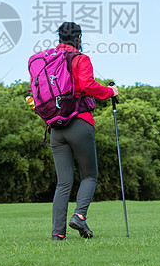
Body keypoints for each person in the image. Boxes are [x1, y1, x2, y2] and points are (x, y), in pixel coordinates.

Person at [50, 21, 118, 241]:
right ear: (78, 38)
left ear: (59, 37)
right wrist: (110, 91)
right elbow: (88, 85)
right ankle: (79, 216)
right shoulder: (81, 59)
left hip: (55, 127)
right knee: (89, 175)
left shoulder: (49, 60)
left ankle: (57, 233)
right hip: (79, 122)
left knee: (63, 182)